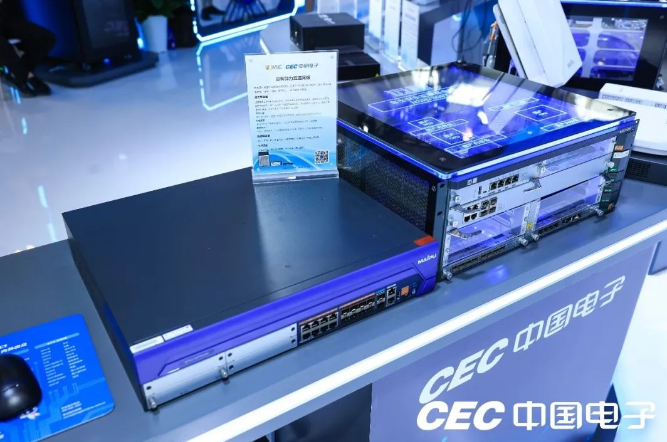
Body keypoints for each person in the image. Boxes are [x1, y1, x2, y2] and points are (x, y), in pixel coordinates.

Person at [0, 0, 55, 97]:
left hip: (6, 18)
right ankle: (24, 75)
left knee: (46, 38)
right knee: (2, 45)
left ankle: (19, 73)